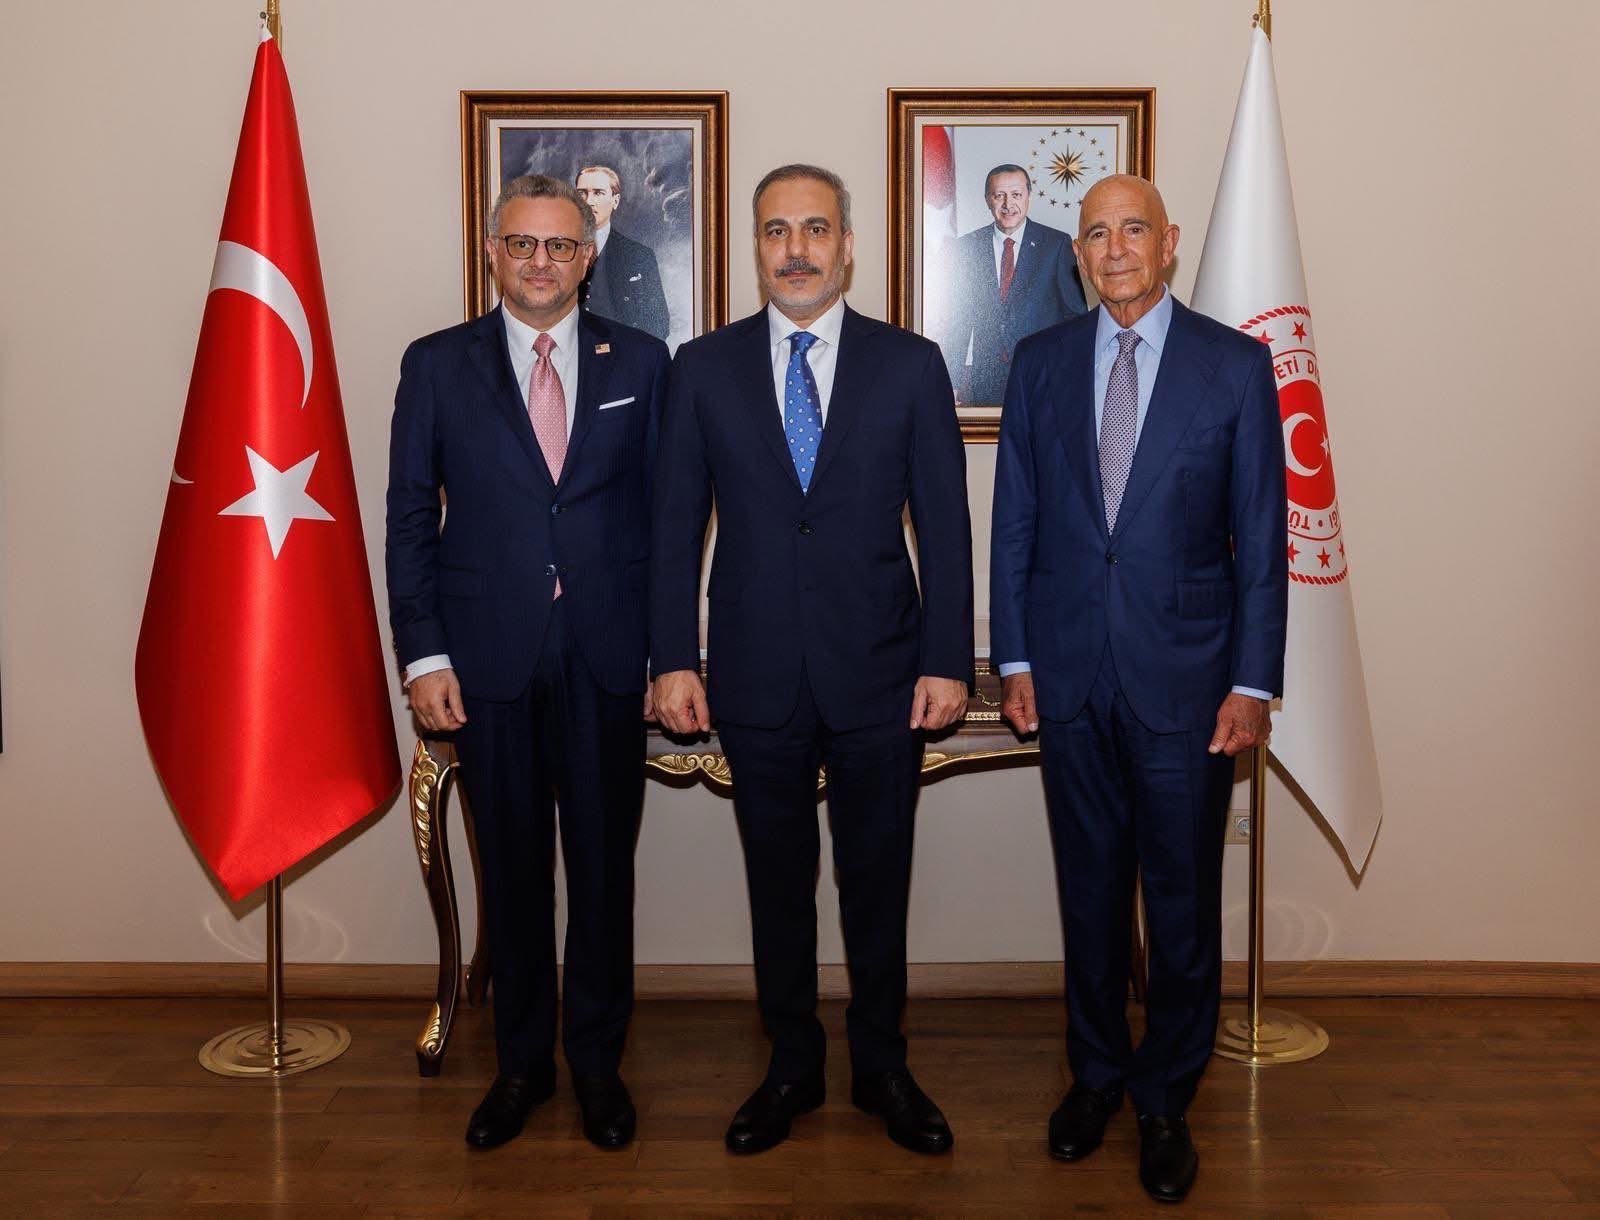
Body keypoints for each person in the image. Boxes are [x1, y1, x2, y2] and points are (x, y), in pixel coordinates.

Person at [650, 164, 973, 1157]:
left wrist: (948, 658)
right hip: (753, 673)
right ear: (755, 247)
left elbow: (946, 525)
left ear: (847, 246)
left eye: (815, 229)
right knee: (777, 886)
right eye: (777, 230)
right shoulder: (702, 368)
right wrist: (673, 657)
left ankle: (881, 1065)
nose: (796, 249)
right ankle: (790, 1064)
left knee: (877, 883)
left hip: (881, 671)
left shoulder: (909, 364)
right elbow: (674, 528)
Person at [989, 175, 1287, 1203]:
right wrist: (1016, 660)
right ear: (1077, 254)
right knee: (1088, 894)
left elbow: (1262, 542)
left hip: (1191, 683)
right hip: (1069, 676)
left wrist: (1253, 680)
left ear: (1168, 243)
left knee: (1182, 900)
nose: (1113, 248)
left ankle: (1165, 1096)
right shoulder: (1039, 363)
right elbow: (1016, 523)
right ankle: (1096, 1076)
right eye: (1095, 233)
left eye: (1132, 230)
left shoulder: (1234, 365)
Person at [385, 174, 669, 1152]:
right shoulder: (436, 365)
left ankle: (596, 1066)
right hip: (484, 661)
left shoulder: (643, 359)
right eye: (522, 243)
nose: (540, 262)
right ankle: (519, 1069)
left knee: (601, 875)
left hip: (605, 655)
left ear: (587, 256)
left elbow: (669, 519)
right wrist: (422, 654)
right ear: (492, 251)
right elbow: (409, 518)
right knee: (510, 875)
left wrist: (666, 651)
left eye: (559, 245)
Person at [938, 163, 1086, 406]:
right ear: (988, 200)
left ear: (1029, 196)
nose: (1008, 204)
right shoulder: (966, 248)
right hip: (987, 382)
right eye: (999, 195)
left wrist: (1073, 373)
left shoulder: (1057, 244)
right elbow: (958, 322)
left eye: (1016, 194)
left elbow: (1075, 318)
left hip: (1045, 376)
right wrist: (951, 383)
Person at [575, 164, 671, 342]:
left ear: (615, 201)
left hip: (625, 352)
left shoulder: (640, 256)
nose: (589, 201)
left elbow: (659, 324)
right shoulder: (556, 252)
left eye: (598, 193)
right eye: (582, 193)